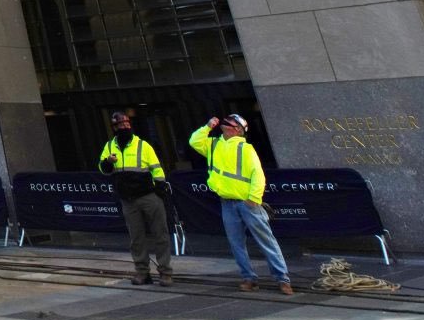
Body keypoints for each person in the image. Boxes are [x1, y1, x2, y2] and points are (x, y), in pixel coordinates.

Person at [190, 113, 290, 294]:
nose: (226, 125)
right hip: (228, 202)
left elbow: (257, 174)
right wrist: (207, 127)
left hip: (246, 202)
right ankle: (249, 278)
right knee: (237, 243)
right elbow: (194, 141)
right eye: (227, 123)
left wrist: (253, 198)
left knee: (265, 240)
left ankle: (282, 279)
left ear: (237, 130)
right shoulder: (214, 145)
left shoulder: (245, 149)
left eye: (231, 124)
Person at [100, 111, 171, 285]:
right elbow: (103, 169)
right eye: (120, 125)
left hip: (148, 195)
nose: (124, 127)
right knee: (136, 237)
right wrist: (108, 162)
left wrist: (160, 185)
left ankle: (165, 272)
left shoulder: (142, 146)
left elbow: (156, 167)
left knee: (160, 234)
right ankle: (142, 272)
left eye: (126, 124)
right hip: (128, 199)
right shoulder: (109, 147)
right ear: (114, 128)